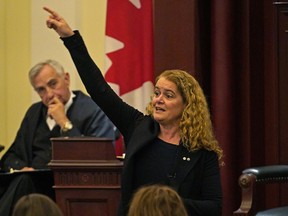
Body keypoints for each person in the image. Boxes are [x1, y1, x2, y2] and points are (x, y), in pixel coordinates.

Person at [43, 6, 224, 216]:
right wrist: (70, 39)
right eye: (157, 93)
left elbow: (214, 207)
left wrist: (170, 204)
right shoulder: (138, 126)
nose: (158, 100)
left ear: (187, 106)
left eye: (168, 95)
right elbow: (99, 90)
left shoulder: (202, 152)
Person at [0, 59, 115, 216]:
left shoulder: (93, 110)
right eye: (41, 90)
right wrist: (22, 169)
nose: (49, 94)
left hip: (72, 186)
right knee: (23, 180)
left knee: (23, 182)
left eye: (53, 84)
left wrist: (65, 124)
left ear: (66, 79)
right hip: (32, 184)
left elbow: (97, 158)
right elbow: (13, 156)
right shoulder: (34, 113)